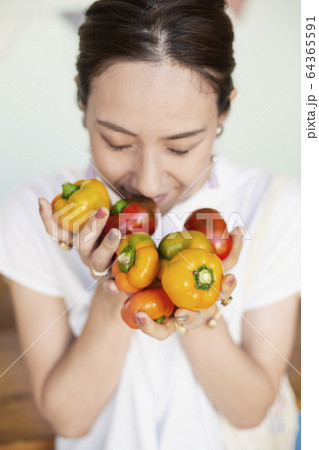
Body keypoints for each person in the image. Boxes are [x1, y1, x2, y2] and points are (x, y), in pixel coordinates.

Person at [0, 1, 300, 449]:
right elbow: (70, 418)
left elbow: (249, 410)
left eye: (180, 148)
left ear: (223, 112)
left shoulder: (279, 206)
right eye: (117, 142)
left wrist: (200, 313)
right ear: (82, 100)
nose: (148, 179)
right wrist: (110, 290)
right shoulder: (35, 212)